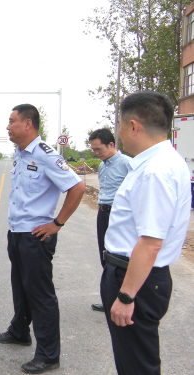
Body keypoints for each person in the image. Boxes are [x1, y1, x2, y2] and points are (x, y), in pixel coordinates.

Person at [101, 91, 191, 375]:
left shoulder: (155, 171)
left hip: (137, 279)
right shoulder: (166, 161)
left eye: (120, 124)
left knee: (136, 365)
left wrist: (126, 297)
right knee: (136, 360)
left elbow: (151, 242)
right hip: (142, 275)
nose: (119, 132)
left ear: (133, 126)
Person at [0, 104, 86, 374]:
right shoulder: (19, 153)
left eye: (12, 122)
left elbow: (77, 187)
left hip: (36, 236)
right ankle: (20, 330)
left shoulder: (47, 155)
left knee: (41, 296)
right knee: (20, 288)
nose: (8, 127)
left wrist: (57, 223)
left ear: (28, 124)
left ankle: (48, 355)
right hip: (17, 233)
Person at [88, 128, 130, 312]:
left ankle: (124, 297)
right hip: (103, 213)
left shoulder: (127, 164)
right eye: (94, 150)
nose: (97, 153)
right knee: (104, 254)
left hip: (119, 215)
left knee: (119, 257)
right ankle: (109, 298)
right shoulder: (103, 165)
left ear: (111, 145)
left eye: (99, 149)